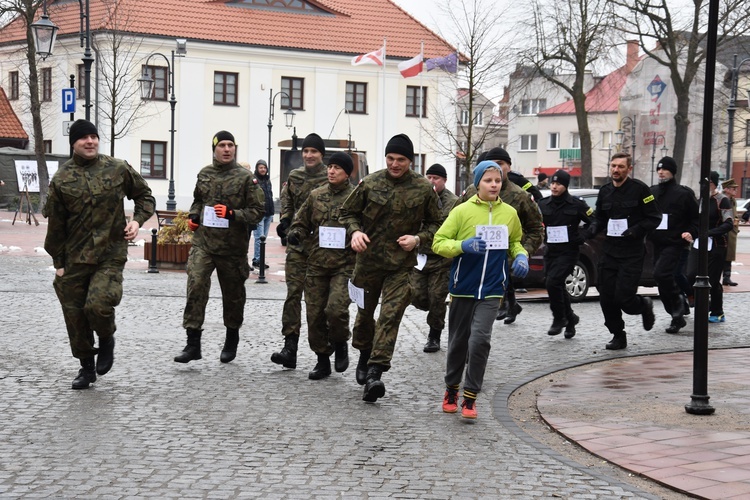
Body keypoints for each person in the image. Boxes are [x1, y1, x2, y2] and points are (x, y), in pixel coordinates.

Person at [43, 119, 155, 389]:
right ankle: (86, 368)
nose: (90, 141)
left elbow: (145, 196)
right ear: (74, 143)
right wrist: (58, 263)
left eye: (94, 136)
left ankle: (106, 338)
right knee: (75, 315)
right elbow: (56, 225)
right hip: (74, 257)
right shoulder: (61, 179)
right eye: (84, 138)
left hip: (110, 252)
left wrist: (137, 221)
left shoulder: (117, 168)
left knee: (98, 305)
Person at [339, 133, 441, 403]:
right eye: (391, 159)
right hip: (368, 263)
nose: (395, 164)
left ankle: (375, 372)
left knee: (391, 315)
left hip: (401, 266)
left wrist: (418, 239)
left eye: (402, 160)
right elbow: (346, 212)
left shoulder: (423, 188)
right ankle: (363, 354)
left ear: (411, 161)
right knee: (364, 317)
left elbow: (437, 224)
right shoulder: (370, 183)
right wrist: (355, 232)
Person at [432, 160, 528, 419]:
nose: (494, 184)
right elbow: (438, 243)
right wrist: (464, 246)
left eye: (497, 180)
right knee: (458, 344)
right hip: (463, 288)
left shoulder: (509, 213)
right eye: (488, 180)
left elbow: (516, 242)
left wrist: (521, 256)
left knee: (480, 341)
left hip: (492, 289)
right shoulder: (462, 211)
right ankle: (452, 389)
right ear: (477, 184)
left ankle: (471, 396)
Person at [174, 131, 265, 364]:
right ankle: (193, 343)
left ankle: (231, 338)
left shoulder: (246, 178)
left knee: (233, 296)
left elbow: (257, 212)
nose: (227, 149)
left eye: (230, 145)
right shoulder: (205, 173)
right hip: (203, 243)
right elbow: (198, 200)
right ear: (214, 149)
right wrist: (194, 215)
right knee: (195, 285)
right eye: (222, 145)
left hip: (232, 248)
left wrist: (233, 214)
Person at [286, 152, 356, 379]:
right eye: (330, 167)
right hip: (316, 264)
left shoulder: (356, 197)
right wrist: (296, 234)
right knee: (314, 315)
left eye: (337, 168)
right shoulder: (316, 196)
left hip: (344, 266)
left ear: (347, 173)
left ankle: (340, 341)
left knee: (335, 309)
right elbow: (300, 222)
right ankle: (322, 359)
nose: (331, 171)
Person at [585, 153, 662, 350]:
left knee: (624, 298)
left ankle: (643, 305)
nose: (616, 170)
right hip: (609, 251)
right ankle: (618, 334)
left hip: (632, 252)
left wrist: (636, 230)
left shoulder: (640, 190)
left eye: (620, 166)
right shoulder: (605, 191)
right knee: (606, 297)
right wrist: (593, 228)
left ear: (629, 169)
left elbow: (654, 217)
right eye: (613, 166)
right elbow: (600, 217)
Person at [271, 133, 329, 369]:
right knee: (293, 295)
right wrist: (285, 221)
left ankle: (323, 353)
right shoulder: (295, 177)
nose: (308, 155)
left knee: (318, 302)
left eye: (313, 151)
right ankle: (290, 347)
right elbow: (287, 202)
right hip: (297, 245)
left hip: (323, 248)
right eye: (306, 151)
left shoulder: (331, 176)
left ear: (321, 154)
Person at [479, 147, 544, 324]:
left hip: (509, 248)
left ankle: (506, 305)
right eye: (490, 165)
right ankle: (511, 305)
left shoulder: (520, 193)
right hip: (479, 256)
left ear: (509, 166)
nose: (495, 168)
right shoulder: (473, 192)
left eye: (500, 164)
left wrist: (523, 253)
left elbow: (536, 227)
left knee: (503, 278)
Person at [537, 169, 592, 338]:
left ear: (565, 186)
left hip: (569, 252)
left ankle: (559, 318)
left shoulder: (576, 204)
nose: (554, 187)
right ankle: (571, 319)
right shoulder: (543, 204)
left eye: (558, 184)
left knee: (553, 283)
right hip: (551, 251)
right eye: (552, 183)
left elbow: (594, 221)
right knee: (557, 284)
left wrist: (582, 236)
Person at [648, 157, 699, 334]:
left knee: (661, 274)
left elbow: (696, 219)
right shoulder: (652, 192)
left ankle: (678, 303)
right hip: (656, 243)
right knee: (661, 282)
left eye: (665, 169)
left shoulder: (684, 194)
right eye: (659, 169)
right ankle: (676, 316)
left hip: (676, 244)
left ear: (673, 171)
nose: (661, 172)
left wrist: (691, 232)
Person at [410, 163, 457, 353]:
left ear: (444, 180)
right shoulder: (418, 198)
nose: (431, 181)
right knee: (416, 295)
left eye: (435, 178)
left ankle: (434, 335)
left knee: (437, 298)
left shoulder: (453, 202)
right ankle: (430, 311)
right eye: (428, 177)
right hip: (420, 257)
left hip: (442, 259)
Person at [686, 171, 733, 323]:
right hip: (699, 243)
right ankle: (695, 301)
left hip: (717, 245)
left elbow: (729, 223)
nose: (703, 186)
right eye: (701, 184)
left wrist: (710, 233)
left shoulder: (722, 200)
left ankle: (717, 311)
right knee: (691, 274)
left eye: (706, 183)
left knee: (712, 280)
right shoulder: (700, 201)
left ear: (713, 183)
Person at [251, 159, 274, 269]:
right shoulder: (254, 180)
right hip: (259, 214)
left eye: (264, 167)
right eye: (261, 167)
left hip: (269, 213)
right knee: (259, 238)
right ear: (257, 168)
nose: (263, 169)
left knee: (264, 239)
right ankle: (257, 260)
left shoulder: (268, 180)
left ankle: (260, 259)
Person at [721, 178, 740, 287]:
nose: (735, 191)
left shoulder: (733, 200)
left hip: (732, 231)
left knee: (729, 255)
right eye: (733, 188)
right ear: (727, 189)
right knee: (721, 254)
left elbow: (734, 213)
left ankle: (726, 277)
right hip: (723, 229)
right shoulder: (722, 199)